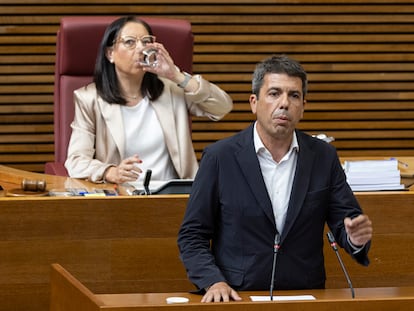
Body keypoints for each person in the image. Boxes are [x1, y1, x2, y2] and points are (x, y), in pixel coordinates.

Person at [177, 55, 373, 302]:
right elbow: (192, 235)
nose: (284, 103)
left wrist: (354, 239)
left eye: (294, 96)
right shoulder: (220, 157)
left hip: (305, 294)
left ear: (303, 106)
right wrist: (213, 281)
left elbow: (346, 223)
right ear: (254, 102)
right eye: (274, 93)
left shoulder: (323, 157)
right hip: (238, 295)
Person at [64, 16, 232, 183]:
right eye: (130, 42)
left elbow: (222, 107)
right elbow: (76, 161)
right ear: (110, 54)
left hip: (174, 195)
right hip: (121, 197)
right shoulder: (89, 99)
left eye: (146, 42)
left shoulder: (171, 90)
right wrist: (110, 171)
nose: (140, 48)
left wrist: (177, 76)